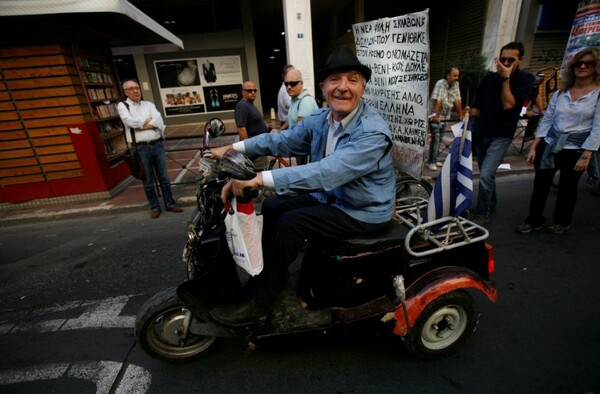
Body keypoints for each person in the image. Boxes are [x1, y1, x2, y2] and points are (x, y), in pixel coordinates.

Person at [209, 46, 396, 327]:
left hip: (362, 210)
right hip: (332, 197)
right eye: (334, 79)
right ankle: (270, 274)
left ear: (363, 87)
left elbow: (327, 173)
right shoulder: (323, 119)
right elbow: (280, 141)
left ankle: (260, 303)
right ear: (322, 87)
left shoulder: (372, 132)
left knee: (292, 224)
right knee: (273, 205)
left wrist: (259, 180)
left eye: (352, 79)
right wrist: (233, 149)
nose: (343, 87)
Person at [516, 47, 600, 234]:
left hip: (576, 147)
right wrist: (535, 145)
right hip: (551, 143)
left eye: (589, 63)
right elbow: (547, 119)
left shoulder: (597, 94)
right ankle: (534, 220)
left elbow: (598, 127)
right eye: (579, 63)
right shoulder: (561, 92)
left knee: (568, 187)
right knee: (541, 183)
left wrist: (587, 154)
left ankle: (561, 221)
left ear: (596, 67)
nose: (583, 66)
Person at [470, 42, 535, 225]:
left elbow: (508, 104)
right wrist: (469, 128)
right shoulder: (489, 78)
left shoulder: (525, 79)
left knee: (485, 175)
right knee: (486, 173)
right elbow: (477, 104)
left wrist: (506, 79)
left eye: (510, 60)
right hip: (482, 132)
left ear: (519, 60)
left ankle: (483, 212)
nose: (505, 63)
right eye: (503, 59)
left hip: (502, 134)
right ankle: (491, 202)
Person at [117, 80, 183, 219]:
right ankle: (154, 207)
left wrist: (142, 124)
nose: (136, 91)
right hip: (140, 148)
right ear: (126, 92)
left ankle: (170, 204)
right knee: (147, 180)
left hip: (157, 145)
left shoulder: (149, 104)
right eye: (131, 89)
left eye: (137, 88)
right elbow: (130, 122)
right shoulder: (123, 106)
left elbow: (158, 121)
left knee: (164, 178)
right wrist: (147, 123)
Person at [278, 68, 319, 164]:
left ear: (301, 83)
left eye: (293, 83)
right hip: (300, 146)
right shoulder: (295, 99)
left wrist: (280, 137)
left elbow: (300, 131)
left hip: (306, 149)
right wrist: (280, 130)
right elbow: (291, 120)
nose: (289, 87)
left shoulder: (305, 101)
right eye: (286, 84)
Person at [428, 67, 464, 171]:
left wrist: (460, 115)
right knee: (436, 138)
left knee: (439, 139)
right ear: (448, 75)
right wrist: (435, 116)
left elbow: (458, 101)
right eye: (454, 75)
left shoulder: (456, 85)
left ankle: (434, 159)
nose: (457, 78)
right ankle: (432, 161)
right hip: (435, 114)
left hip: (445, 115)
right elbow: (438, 100)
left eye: (457, 75)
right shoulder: (441, 83)